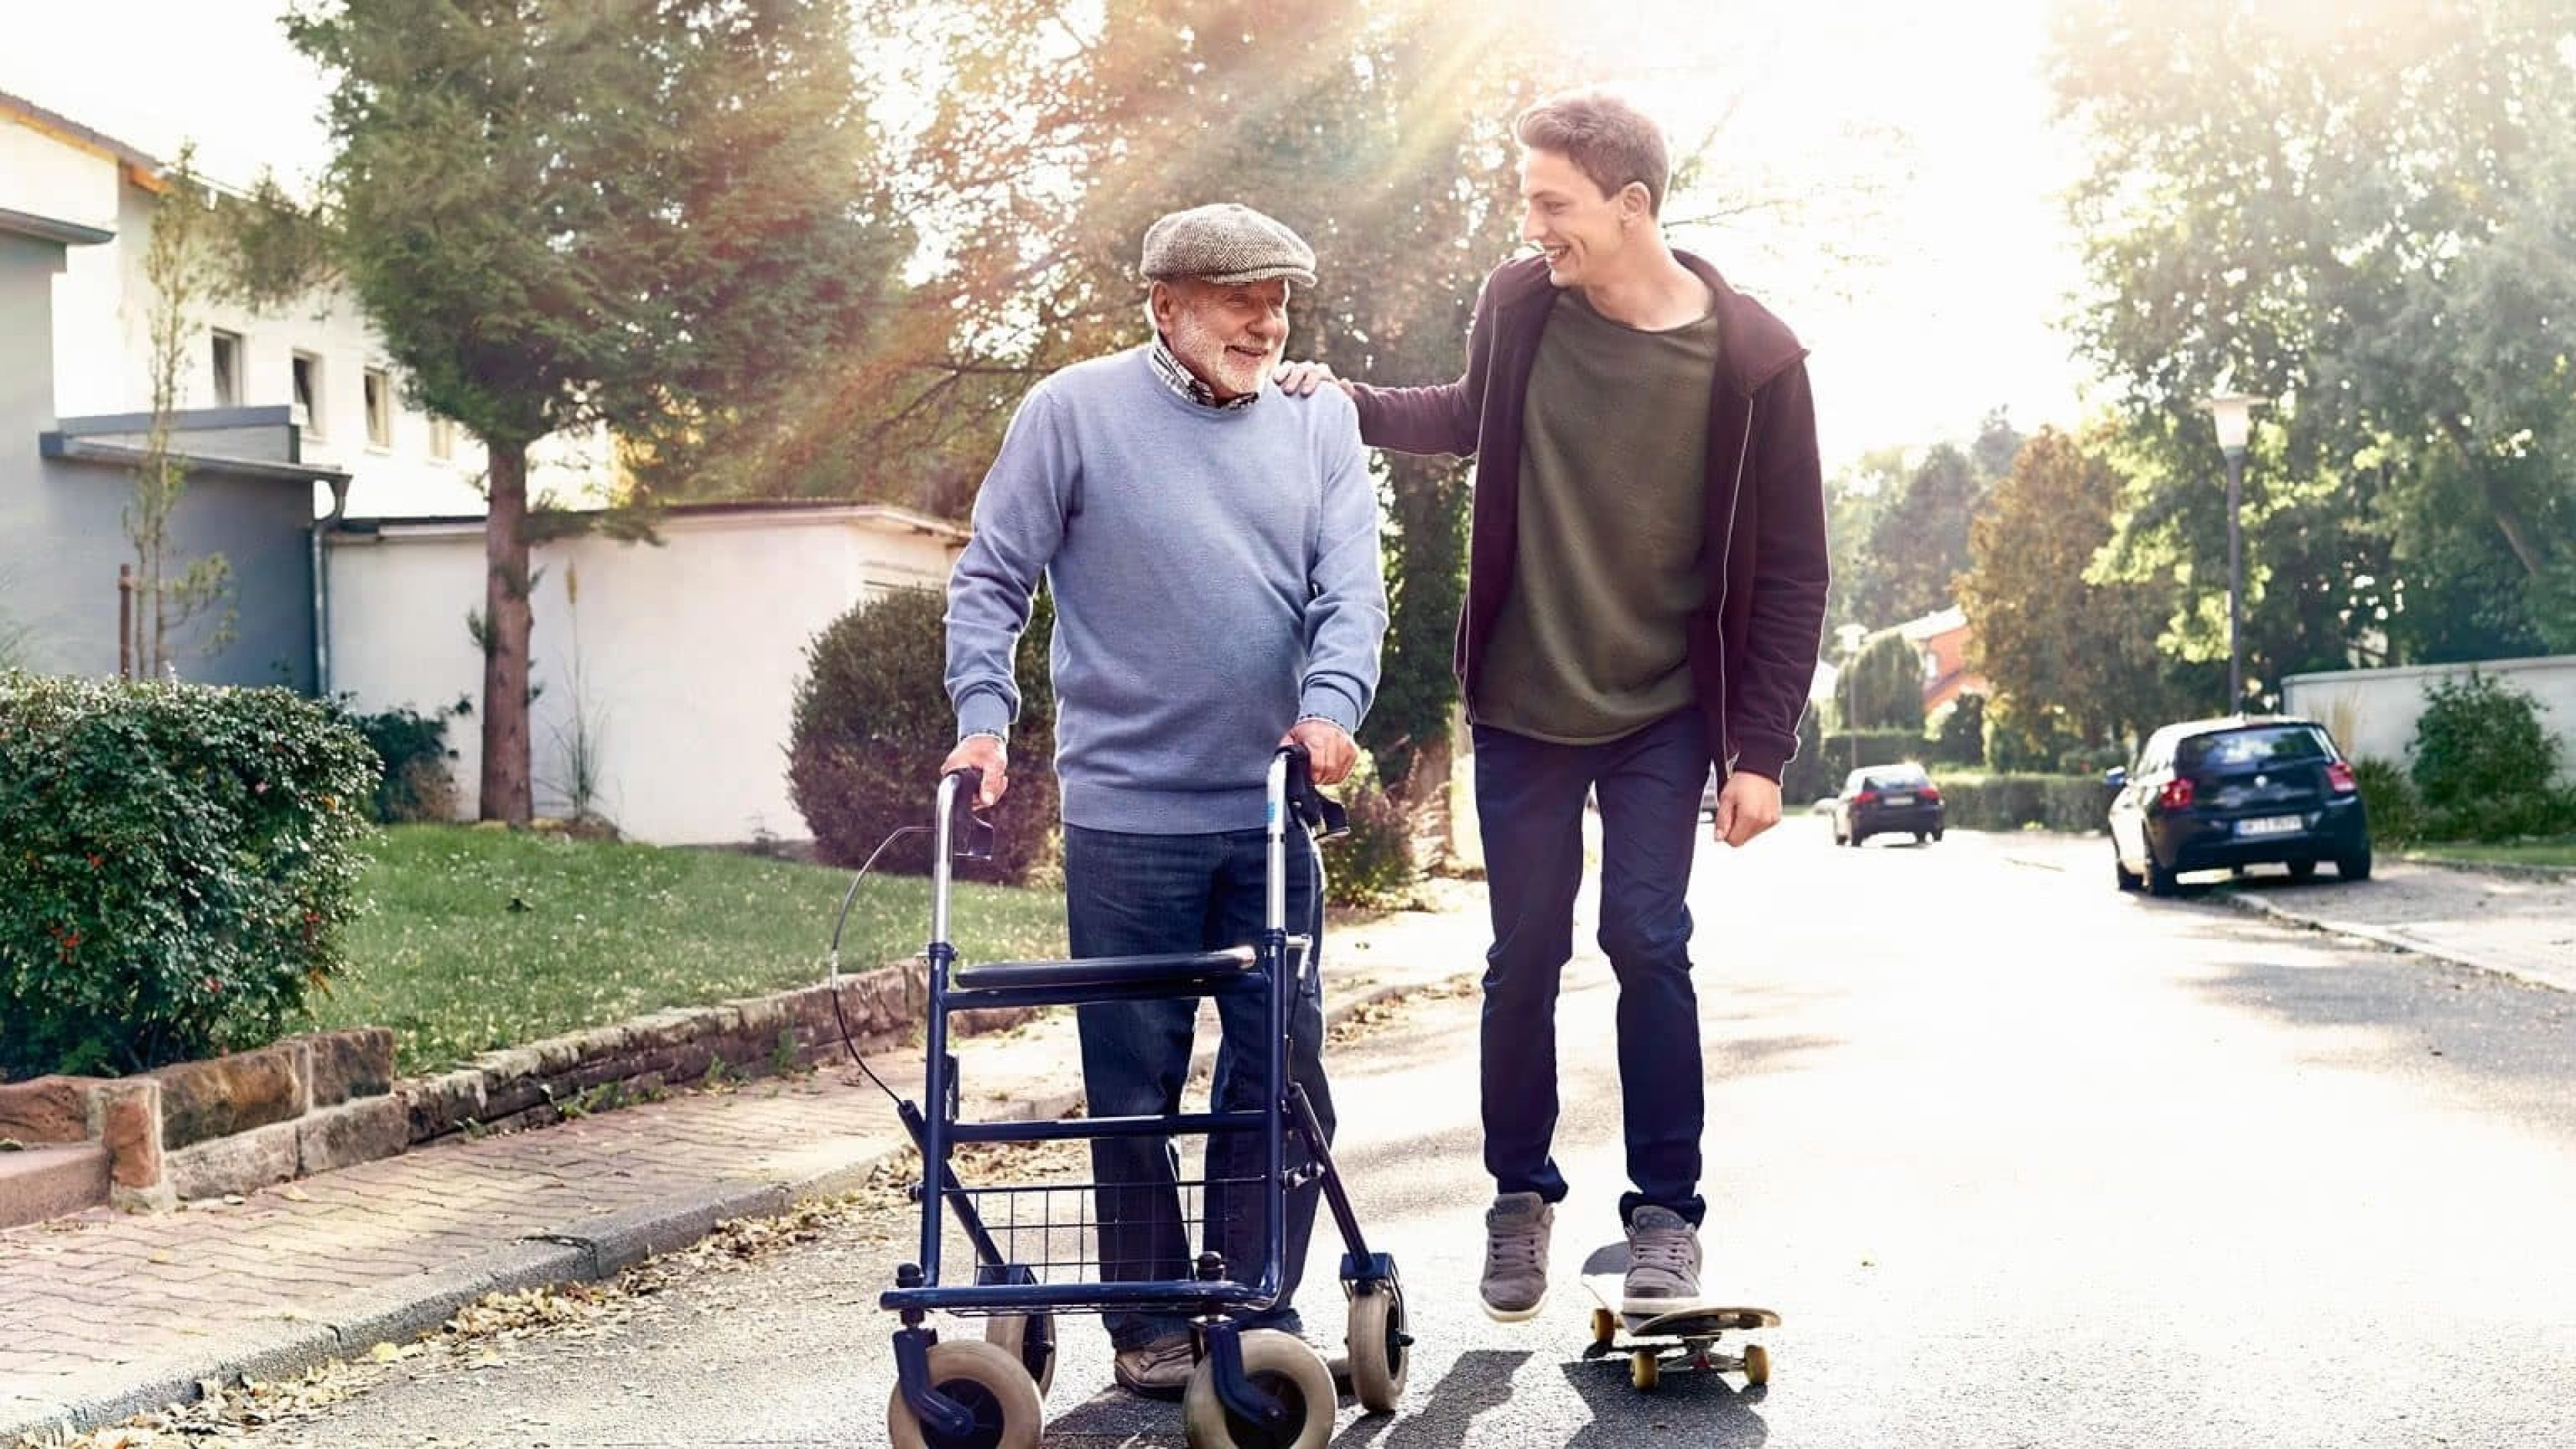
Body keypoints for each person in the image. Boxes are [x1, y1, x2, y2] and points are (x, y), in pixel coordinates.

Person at [1279, 89, 1828, 1320]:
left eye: (1552, 204)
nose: (1532, 228)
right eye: (1529, 202)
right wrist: (1346, 400)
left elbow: (1793, 569)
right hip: (1525, 698)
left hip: (1666, 707)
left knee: (1648, 939)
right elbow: (1472, 419)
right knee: (1523, 955)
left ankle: (1667, 1218)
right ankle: (1519, 1197)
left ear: (1632, 208)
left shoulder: (1755, 363)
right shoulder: (1520, 304)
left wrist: (1761, 751)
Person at [940, 201, 1389, 1395]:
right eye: (1237, 297)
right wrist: (985, 723)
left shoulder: (1317, 418)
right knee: (1130, 1082)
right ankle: (1148, 1322)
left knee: (1276, 1066)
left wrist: (1333, 704)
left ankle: (1248, 1302)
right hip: (1125, 814)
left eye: (1279, 297)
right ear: (1165, 306)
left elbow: (1353, 586)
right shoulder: (1070, 413)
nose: (1265, 319)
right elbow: (991, 580)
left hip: (1266, 808)